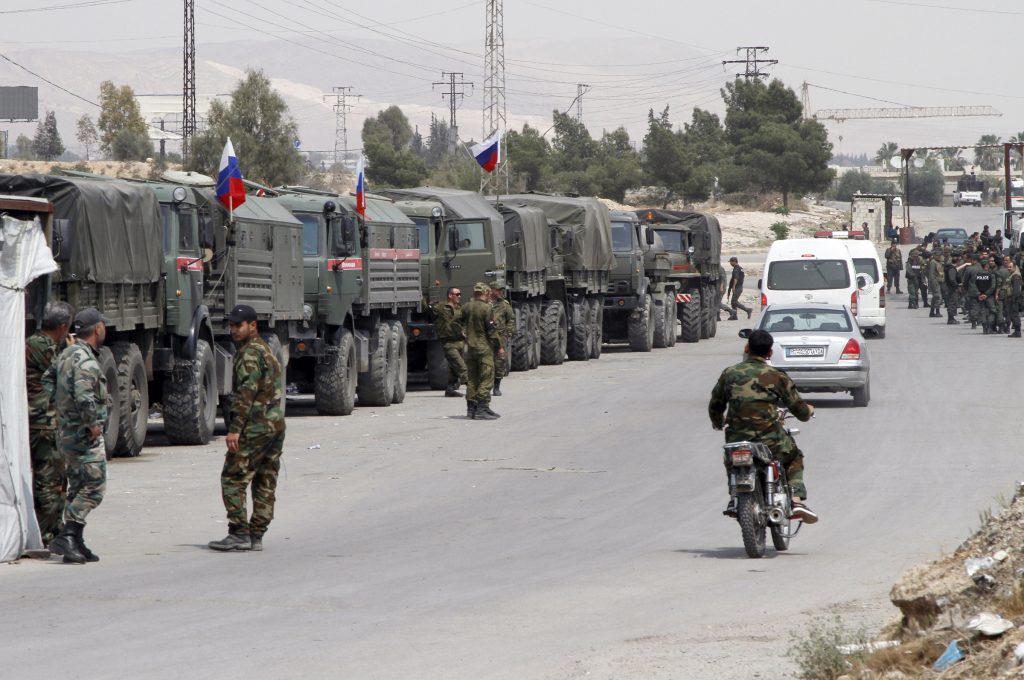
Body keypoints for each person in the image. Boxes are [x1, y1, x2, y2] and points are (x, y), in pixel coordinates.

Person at [708, 329, 817, 523]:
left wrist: (718, 423)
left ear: (746, 348)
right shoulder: (777, 376)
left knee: (732, 461)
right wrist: (808, 411)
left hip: (737, 438)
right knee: (794, 456)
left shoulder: (729, 374)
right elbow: (800, 411)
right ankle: (796, 500)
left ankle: (735, 497)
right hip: (770, 440)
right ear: (770, 353)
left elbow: (715, 405)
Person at [209, 305, 286, 552]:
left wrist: (234, 430)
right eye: (231, 325)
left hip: (255, 427)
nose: (233, 330)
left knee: (232, 477)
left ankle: (239, 533)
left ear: (253, 325)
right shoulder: (265, 349)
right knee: (265, 479)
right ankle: (257, 535)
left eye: (238, 325)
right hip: (275, 425)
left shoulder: (249, 354)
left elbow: (246, 394)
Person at [44, 308, 110, 565]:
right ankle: (68, 534)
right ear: (97, 328)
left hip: (67, 433)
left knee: (78, 485)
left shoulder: (66, 354)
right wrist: (92, 424)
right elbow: (84, 396)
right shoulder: (85, 360)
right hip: (83, 435)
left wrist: (61, 409)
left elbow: (48, 379)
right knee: (94, 487)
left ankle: (75, 540)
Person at [25, 301, 73, 546]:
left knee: (52, 478)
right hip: (42, 422)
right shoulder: (41, 346)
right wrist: (72, 352)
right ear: (63, 327)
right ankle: (48, 533)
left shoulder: (38, 343)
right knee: (49, 479)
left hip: (40, 421)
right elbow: (65, 375)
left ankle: (52, 528)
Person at [463, 282, 505, 420]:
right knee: (487, 377)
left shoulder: (466, 307)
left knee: (472, 378)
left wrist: (463, 337)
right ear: (486, 293)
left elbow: (455, 323)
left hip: (470, 348)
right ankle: (482, 408)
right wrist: (499, 346)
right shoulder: (487, 308)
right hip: (483, 348)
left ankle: (471, 409)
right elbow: (491, 331)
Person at [432, 288, 467, 397]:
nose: (459, 296)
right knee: (461, 366)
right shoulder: (441, 307)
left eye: (460, 294)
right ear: (450, 295)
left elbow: (464, 323)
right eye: (457, 294)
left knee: (454, 368)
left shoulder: (460, 309)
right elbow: (427, 308)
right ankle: (472, 387)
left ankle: (450, 389)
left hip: (459, 342)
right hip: (448, 342)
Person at [489, 282, 515, 396]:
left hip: (500, 338)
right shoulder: (485, 303)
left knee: (500, 362)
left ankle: (496, 386)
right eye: (498, 290)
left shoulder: (504, 305)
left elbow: (511, 320)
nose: (500, 292)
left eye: (501, 290)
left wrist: (508, 334)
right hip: (486, 337)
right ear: (491, 290)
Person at [1003, 259, 1023, 338]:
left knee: (1014, 315)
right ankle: (1016, 332)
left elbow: (1016, 289)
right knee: (1012, 315)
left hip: (1014, 299)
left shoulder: (1016, 276)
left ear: (1014, 267)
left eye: (1010, 267)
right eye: (1008, 267)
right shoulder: (1011, 275)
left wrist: (1013, 299)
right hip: (1011, 298)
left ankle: (1018, 332)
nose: (1009, 268)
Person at [926, 248, 945, 318]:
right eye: (937, 255)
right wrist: (933, 283)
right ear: (934, 255)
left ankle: (932, 312)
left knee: (935, 297)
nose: (939, 256)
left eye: (940, 255)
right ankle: (937, 311)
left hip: (940, 281)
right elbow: (931, 274)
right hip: (935, 282)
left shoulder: (940, 262)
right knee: (938, 296)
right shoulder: (933, 262)